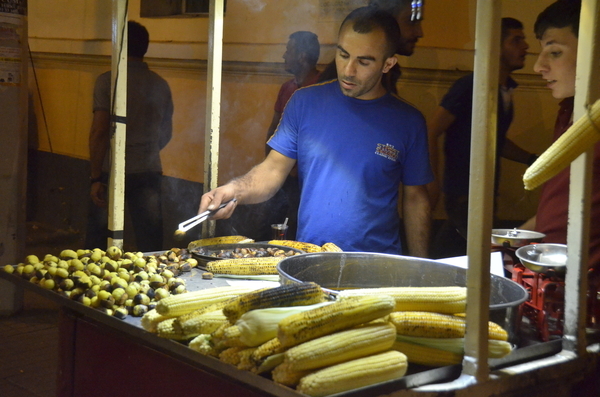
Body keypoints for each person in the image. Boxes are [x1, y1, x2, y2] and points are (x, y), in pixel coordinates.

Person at [199, 7, 433, 257]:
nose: (348, 70)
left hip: (377, 265)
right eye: (343, 55)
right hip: (310, 259)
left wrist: (422, 269)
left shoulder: (408, 121)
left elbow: (415, 199)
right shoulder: (304, 103)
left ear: (388, 64)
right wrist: (235, 190)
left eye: (364, 61)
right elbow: (273, 169)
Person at [428, 17, 536, 259]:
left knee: (463, 248)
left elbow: (496, 140)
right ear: (495, 47)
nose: (526, 47)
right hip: (464, 190)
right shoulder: (471, 86)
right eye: (516, 40)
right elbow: (432, 129)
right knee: (470, 252)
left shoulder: (504, 89)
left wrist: (532, 158)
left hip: (486, 190)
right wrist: (431, 181)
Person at [521, 0, 600, 270]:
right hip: (552, 271)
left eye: (554, 52)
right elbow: (561, 206)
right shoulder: (570, 110)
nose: (538, 66)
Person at [86, 21, 174, 252]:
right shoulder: (160, 84)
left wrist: (96, 177)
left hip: (110, 170)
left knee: (98, 245)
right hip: (147, 169)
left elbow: (99, 131)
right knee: (150, 244)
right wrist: (145, 150)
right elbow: (166, 133)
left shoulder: (108, 81)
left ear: (119, 46)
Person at [264, 31, 321, 240]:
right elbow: (274, 127)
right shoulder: (287, 87)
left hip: (305, 178)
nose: (283, 56)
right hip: (282, 175)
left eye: (289, 50)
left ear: (302, 56)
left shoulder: (321, 88)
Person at [317, 0, 424, 92]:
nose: (420, 32)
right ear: (386, 21)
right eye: (411, 22)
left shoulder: (390, 71)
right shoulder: (342, 79)